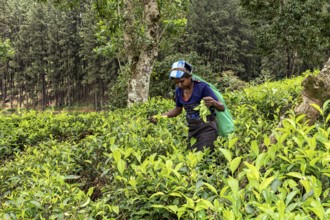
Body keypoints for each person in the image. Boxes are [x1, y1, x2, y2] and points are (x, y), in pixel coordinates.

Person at [150, 60, 225, 152]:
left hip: (207, 128)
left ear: (189, 77)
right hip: (192, 128)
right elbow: (178, 110)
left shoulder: (202, 87)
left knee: (204, 156)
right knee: (192, 156)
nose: (179, 85)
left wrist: (213, 102)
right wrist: (160, 116)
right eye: (176, 83)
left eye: (181, 81)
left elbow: (222, 107)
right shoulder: (179, 91)